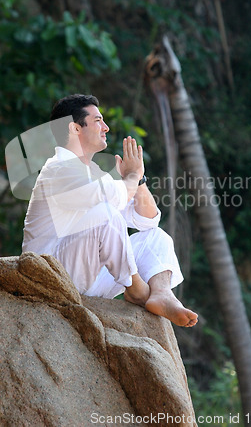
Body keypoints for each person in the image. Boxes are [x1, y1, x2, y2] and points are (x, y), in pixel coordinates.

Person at [22, 94, 198, 327]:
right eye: (98, 120)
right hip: (52, 276)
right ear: (75, 128)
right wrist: (132, 178)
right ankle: (137, 290)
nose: (105, 127)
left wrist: (139, 180)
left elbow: (147, 221)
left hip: (84, 278)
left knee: (157, 238)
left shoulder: (92, 174)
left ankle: (162, 293)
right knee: (106, 214)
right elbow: (113, 203)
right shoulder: (59, 169)